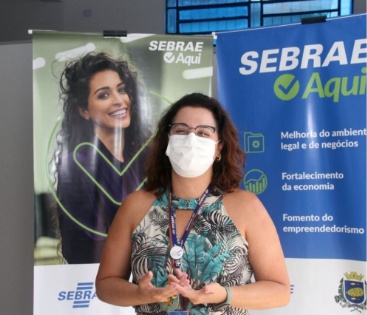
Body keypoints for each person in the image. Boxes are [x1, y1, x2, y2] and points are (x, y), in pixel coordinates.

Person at [95, 93, 290, 314]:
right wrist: (140, 294)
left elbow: (280, 291)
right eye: (181, 131)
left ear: (219, 148)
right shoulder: (135, 206)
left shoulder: (246, 206)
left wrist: (226, 295)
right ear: (167, 140)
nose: (191, 139)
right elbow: (105, 285)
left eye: (203, 133)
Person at [52, 51, 151, 264]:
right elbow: (80, 248)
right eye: (104, 95)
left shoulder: (147, 156)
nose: (118, 101)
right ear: (84, 111)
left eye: (122, 90)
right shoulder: (78, 166)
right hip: (105, 283)